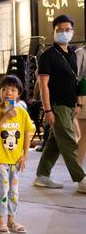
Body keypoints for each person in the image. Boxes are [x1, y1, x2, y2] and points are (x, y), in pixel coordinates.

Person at [33, 14, 86, 194]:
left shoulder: (72, 53)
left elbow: (75, 80)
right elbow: (43, 85)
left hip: (70, 105)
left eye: (67, 30)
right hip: (57, 105)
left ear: (73, 31)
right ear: (53, 31)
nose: (63, 33)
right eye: (59, 30)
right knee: (70, 142)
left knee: (55, 143)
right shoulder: (47, 56)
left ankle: (42, 176)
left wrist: (78, 103)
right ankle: (81, 179)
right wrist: (47, 109)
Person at [0, 75, 35, 234]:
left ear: (18, 93)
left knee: (14, 191)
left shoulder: (22, 113)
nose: (8, 93)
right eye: (4, 89)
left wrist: (24, 155)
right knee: (2, 190)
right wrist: (5, 116)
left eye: (13, 90)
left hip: (15, 160)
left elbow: (27, 132)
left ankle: (11, 220)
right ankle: (0, 221)